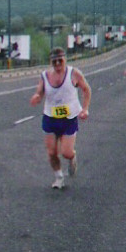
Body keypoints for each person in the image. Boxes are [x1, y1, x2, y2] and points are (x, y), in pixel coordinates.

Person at [29, 47, 91, 189]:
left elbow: (86, 89)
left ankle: (72, 157)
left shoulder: (74, 74)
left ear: (65, 60)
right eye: (54, 61)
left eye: (60, 60)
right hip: (50, 117)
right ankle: (59, 178)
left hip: (68, 118)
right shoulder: (45, 76)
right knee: (51, 152)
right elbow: (40, 91)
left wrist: (85, 109)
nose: (57, 64)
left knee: (66, 152)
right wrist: (37, 97)